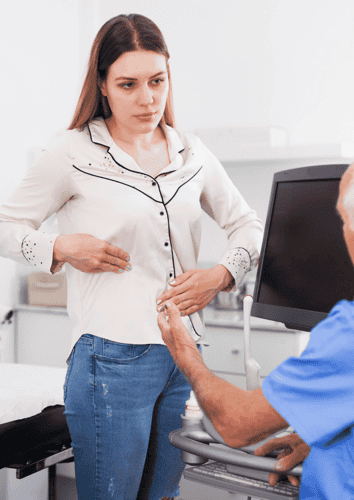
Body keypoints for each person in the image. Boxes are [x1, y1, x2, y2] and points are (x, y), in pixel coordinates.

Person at [0, 14, 263, 500]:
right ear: (102, 86)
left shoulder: (193, 154)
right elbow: (4, 226)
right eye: (128, 84)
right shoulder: (72, 153)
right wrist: (59, 247)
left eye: (157, 81)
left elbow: (247, 223)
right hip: (109, 357)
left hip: (184, 355)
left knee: (163, 495)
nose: (147, 98)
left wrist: (223, 274)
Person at [157, 163, 354, 499]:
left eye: (343, 220)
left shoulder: (346, 334)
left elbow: (236, 426)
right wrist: (316, 434)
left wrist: (184, 352)